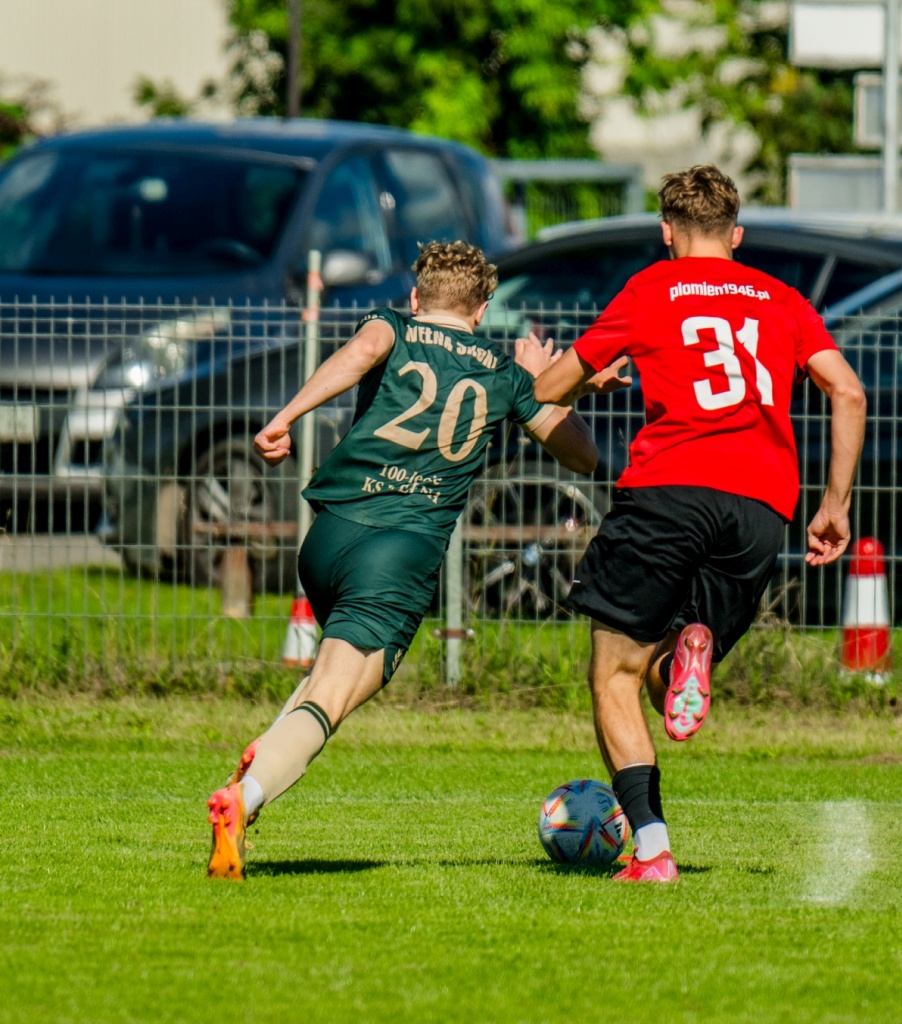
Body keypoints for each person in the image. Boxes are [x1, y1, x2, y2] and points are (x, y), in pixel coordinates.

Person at [206, 241, 627, 880]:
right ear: (482, 311)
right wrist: (558, 386)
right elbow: (584, 457)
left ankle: (265, 759)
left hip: (329, 535)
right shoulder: (503, 372)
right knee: (333, 694)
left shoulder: (392, 326)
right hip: (397, 551)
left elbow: (361, 353)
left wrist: (284, 418)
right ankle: (244, 797)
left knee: (331, 676)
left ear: (415, 297)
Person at [532, 164, 867, 883]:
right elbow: (848, 391)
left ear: (666, 232)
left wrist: (573, 374)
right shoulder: (781, 298)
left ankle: (653, 851)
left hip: (669, 491)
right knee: (663, 680)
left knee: (613, 674)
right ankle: (690, 650)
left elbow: (549, 390)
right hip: (761, 509)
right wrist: (834, 502)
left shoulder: (653, 288)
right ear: (736, 235)